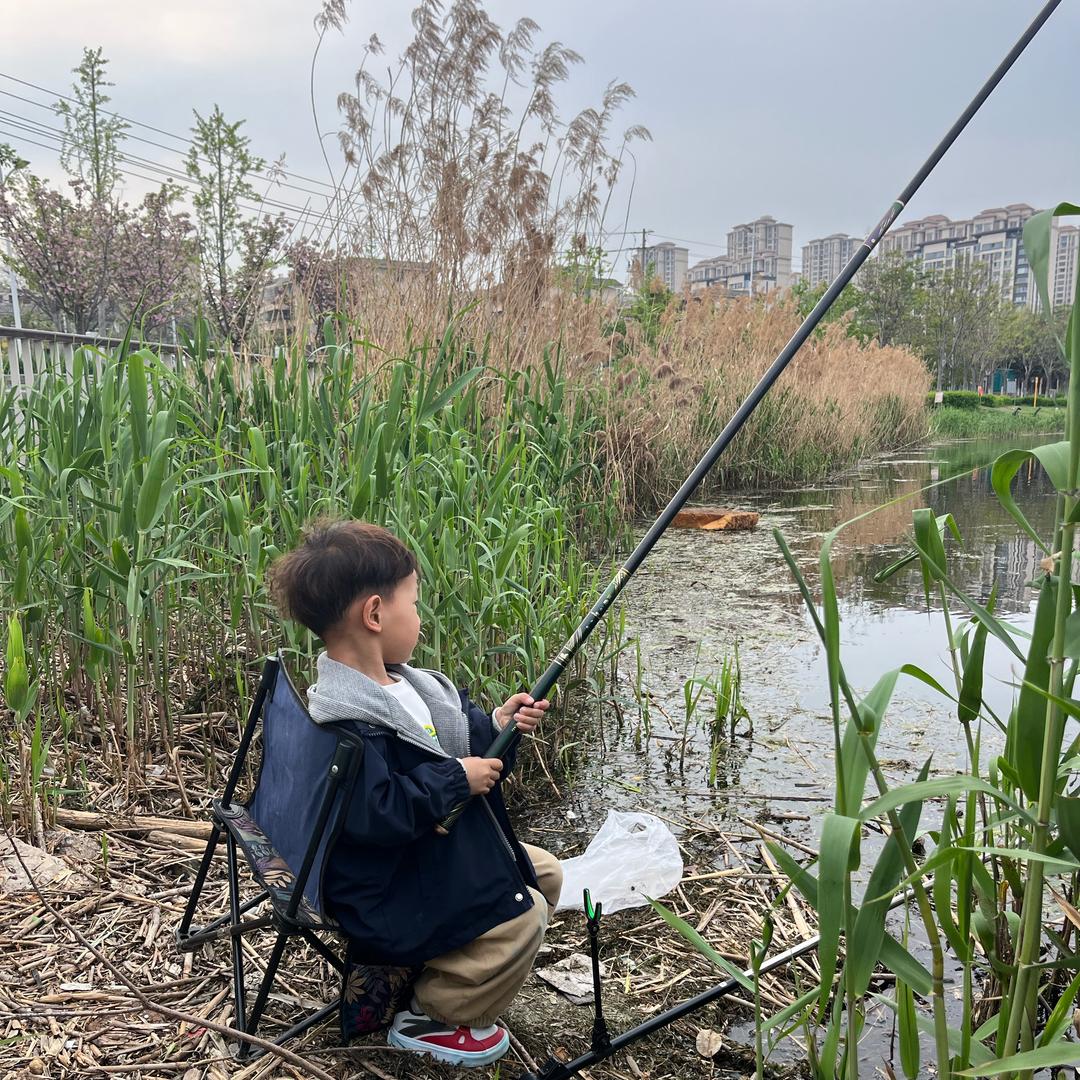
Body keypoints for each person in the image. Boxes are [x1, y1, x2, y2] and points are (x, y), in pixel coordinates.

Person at [267, 518, 563, 1068]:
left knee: (543, 873)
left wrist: (498, 727)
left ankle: (450, 964)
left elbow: (450, 747)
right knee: (524, 916)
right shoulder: (346, 723)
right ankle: (435, 1013)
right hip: (384, 884)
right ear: (375, 614)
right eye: (415, 603)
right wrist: (456, 780)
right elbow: (375, 813)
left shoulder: (407, 686)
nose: (421, 617)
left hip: (417, 855)